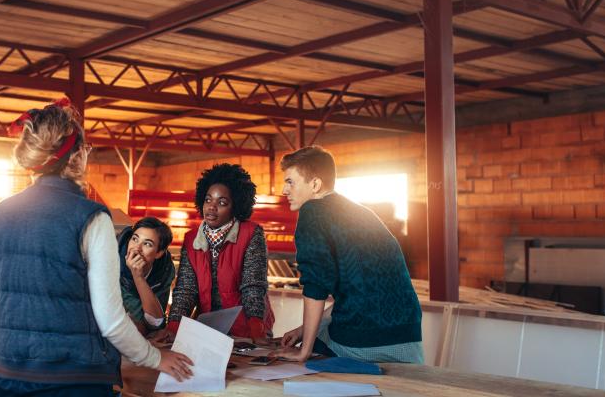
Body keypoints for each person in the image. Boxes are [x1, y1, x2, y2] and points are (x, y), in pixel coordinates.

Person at [0, 100, 192, 396]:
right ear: (76, 157)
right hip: (73, 380)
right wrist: (156, 358)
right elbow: (110, 321)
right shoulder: (90, 217)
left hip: (8, 373)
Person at [270, 146, 424, 364]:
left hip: (363, 339)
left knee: (295, 363)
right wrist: (305, 329)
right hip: (407, 336)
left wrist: (305, 350)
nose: (285, 190)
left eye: (290, 182)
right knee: (316, 334)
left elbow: (316, 287)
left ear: (315, 184)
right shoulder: (361, 212)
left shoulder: (312, 212)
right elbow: (358, 294)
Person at [165, 163, 274, 341]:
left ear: (235, 207)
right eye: (208, 200)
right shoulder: (192, 239)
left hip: (247, 329)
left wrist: (256, 329)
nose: (212, 207)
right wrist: (174, 326)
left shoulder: (251, 234)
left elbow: (253, 286)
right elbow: (186, 289)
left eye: (222, 202)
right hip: (209, 328)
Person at [118, 217, 175, 335]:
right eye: (135, 239)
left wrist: (138, 277)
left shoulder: (165, 270)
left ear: (159, 253)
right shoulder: (111, 259)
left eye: (147, 244)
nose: (136, 248)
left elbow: (155, 322)